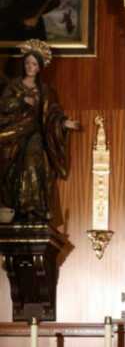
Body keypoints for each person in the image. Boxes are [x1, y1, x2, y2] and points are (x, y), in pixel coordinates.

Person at [0, 39, 80, 222]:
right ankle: (13, 205)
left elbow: (52, 113)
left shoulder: (45, 90)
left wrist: (64, 123)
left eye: (34, 64)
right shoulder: (13, 86)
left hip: (35, 133)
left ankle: (32, 206)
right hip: (13, 134)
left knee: (33, 161)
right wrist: (21, 101)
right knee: (9, 167)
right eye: (27, 63)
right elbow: (3, 105)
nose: (30, 67)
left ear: (39, 68)